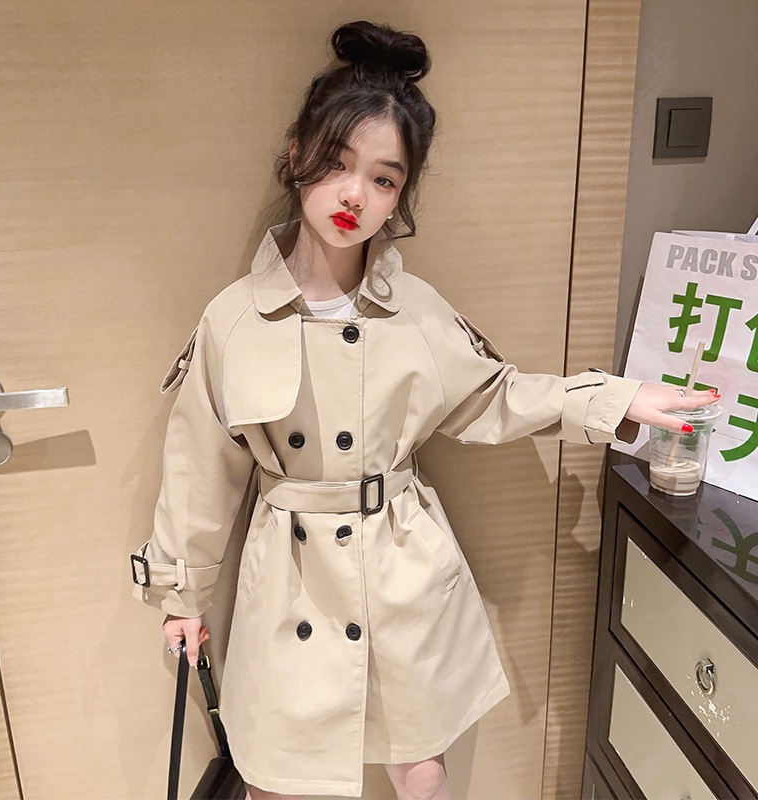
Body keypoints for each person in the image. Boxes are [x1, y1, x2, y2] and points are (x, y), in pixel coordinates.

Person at [130, 19, 720, 800]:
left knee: (422, 768)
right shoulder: (234, 318)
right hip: (291, 578)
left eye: (384, 179)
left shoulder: (415, 309)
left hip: (398, 564)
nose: (355, 195)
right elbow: (200, 466)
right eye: (337, 162)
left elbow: (496, 395)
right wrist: (181, 595)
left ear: (400, 196)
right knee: (274, 775)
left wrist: (616, 397)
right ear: (297, 155)